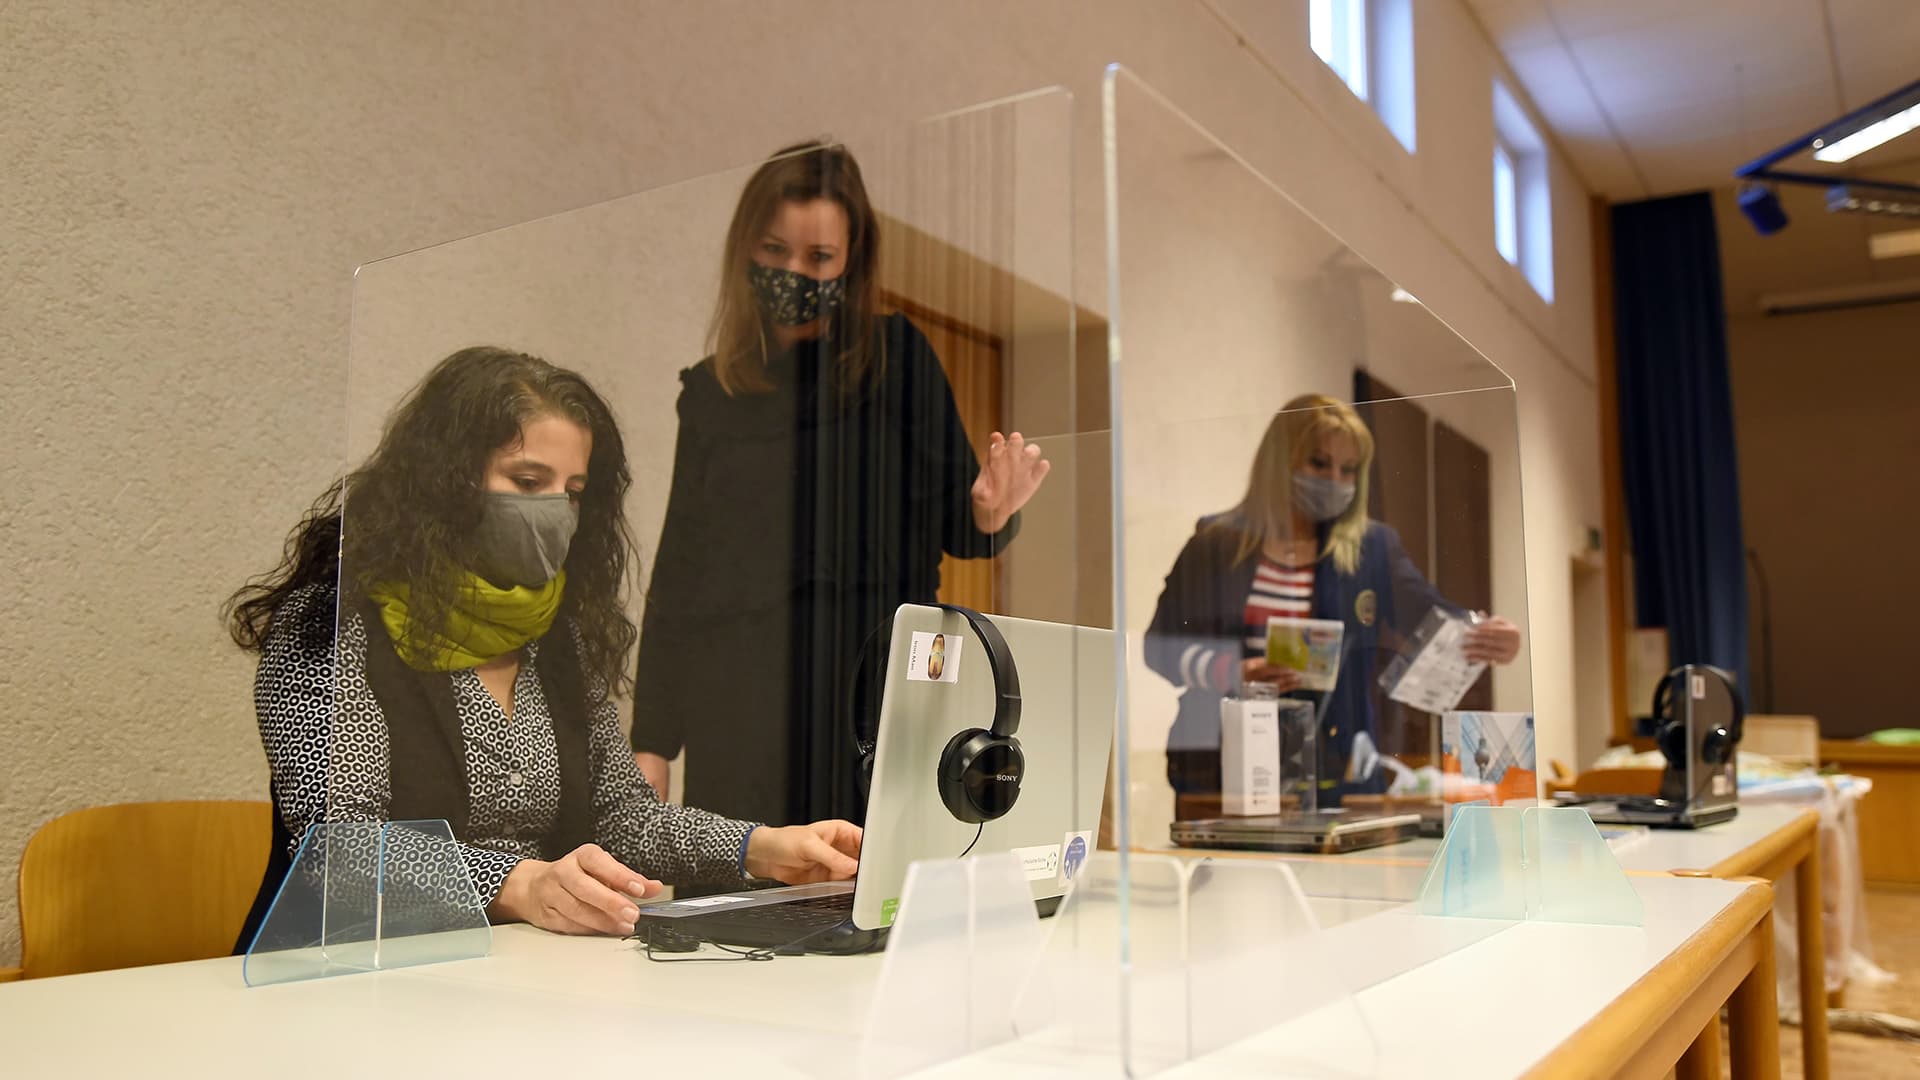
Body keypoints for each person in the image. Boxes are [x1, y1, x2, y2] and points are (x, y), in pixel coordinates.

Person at [226, 347, 862, 945]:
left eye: (574, 492)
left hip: (520, 977)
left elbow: (622, 816)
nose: (556, 509)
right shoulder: (333, 621)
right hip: (343, 976)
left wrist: (763, 847)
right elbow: (341, 847)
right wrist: (519, 882)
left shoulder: (558, 636)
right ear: (444, 483)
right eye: (528, 481)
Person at [630, 141, 1050, 826]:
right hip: (738, 707)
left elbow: (961, 527)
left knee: (867, 906)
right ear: (745, 250)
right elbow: (681, 569)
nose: (793, 272)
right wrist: (651, 739)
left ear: (851, 263)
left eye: (818, 258)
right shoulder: (712, 391)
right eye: (773, 250)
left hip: (875, 699)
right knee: (737, 915)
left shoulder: (898, 359)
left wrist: (989, 514)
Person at [1144, 394, 1522, 809]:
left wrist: (1486, 634)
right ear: (1279, 461)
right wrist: (1230, 671)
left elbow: (1426, 610)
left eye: (1349, 470)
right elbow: (1158, 648)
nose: (1335, 480)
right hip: (1219, 768)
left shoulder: (1372, 549)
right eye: (1319, 464)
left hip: (1336, 769)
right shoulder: (1215, 543)